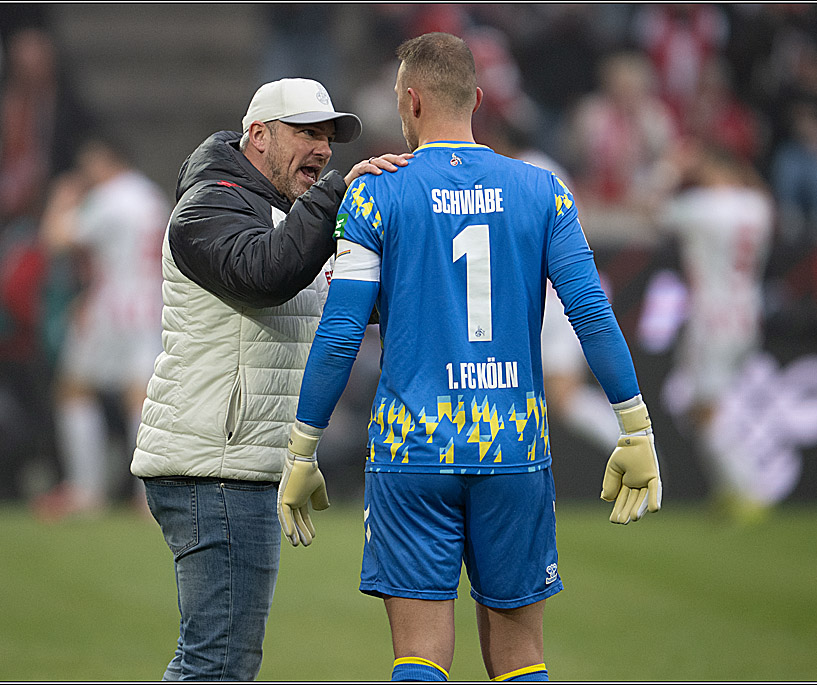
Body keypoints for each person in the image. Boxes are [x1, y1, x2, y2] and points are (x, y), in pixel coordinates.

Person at [278, 33, 662, 682]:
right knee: (519, 661)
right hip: (511, 442)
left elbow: (343, 331)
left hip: (413, 447)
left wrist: (301, 448)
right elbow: (591, 313)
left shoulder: (376, 193)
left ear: (411, 101)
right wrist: (636, 427)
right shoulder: (544, 192)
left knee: (420, 658)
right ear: (478, 99)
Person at [129, 78, 411, 681]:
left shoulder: (282, 214)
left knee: (219, 659)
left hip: (236, 463)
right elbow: (266, 272)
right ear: (257, 135)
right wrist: (338, 193)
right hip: (215, 465)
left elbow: (347, 299)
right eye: (307, 132)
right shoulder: (207, 204)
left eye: (328, 138)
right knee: (218, 664)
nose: (323, 149)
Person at [32, 137, 171, 520]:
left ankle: (85, 489)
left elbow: (55, 239)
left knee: (74, 389)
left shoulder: (110, 200)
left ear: (107, 161)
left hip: (114, 307)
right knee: (143, 398)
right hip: (152, 303)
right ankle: (150, 497)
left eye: (90, 165)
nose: (86, 174)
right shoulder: (150, 196)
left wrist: (61, 198)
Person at [656, 139, 774, 521]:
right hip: (748, 314)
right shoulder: (759, 207)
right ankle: (729, 489)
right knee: (700, 405)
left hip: (713, 317)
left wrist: (672, 171)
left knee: (705, 409)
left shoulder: (701, 208)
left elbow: (652, 212)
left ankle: (750, 490)